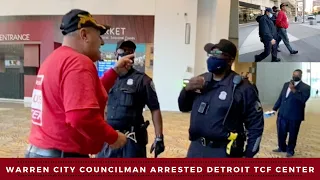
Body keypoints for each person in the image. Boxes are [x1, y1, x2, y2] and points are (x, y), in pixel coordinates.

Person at [25, 9, 133, 158]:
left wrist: (114, 72)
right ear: (84, 35)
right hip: (63, 156)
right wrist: (113, 137)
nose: (102, 42)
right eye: (99, 35)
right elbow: (81, 116)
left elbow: (82, 95)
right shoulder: (78, 62)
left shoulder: (54, 60)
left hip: (40, 152)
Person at [178, 39, 264, 158]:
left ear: (230, 60)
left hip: (224, 151)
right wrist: (186, 90)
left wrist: (249, 155)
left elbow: (255, 124)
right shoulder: (201, 80)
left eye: (217, 54)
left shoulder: (243, 88)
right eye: (211, 54)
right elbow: (183, 107)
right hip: (196, 148)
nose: (212, 57)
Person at [97, 40, 165, 158]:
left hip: (132, 139)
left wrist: (159, 137)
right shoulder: (108, 78)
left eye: (130, 51)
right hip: (110, 137)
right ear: (116, 54)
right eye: (123, 50)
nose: (127, 53)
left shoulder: (143, 80)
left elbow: (155, 109)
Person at [271, 69, 310, 157]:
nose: (294, 76)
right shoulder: (286, 84)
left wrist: (293, 90)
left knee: (293, 134)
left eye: (296, 75)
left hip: (295, 116)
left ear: (300, 76)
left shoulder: (306, 87)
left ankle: (290, 150)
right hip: (282, 114)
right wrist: (274, 109)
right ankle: (281, 147)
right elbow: (281, 97)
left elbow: (303, 100)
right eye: (293, 74)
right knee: (281, 132)